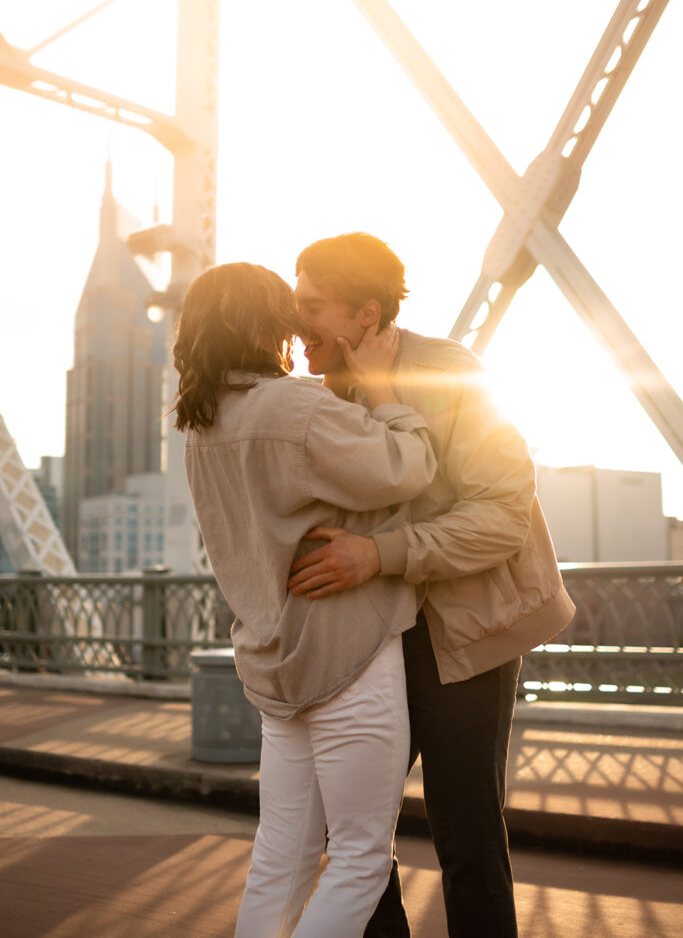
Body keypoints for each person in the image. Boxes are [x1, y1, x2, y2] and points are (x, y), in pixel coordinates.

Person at [289, 232, 576, 938]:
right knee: (344, 822)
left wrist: (376, 555)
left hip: (467, 631)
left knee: (464, 829)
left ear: (366, 314)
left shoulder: (451, 375)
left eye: (311, 307)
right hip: (379, 633)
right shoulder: (324, 391)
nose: (294, 325)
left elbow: (500, 518)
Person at [172, 261, 437, 938]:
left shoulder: (202, 425)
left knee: (282, 852)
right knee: (358, 857)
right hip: (345, 654)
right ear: (263, 324)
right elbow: (407, 466)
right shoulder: (293, 406)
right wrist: (383, 394)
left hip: (272, 657)